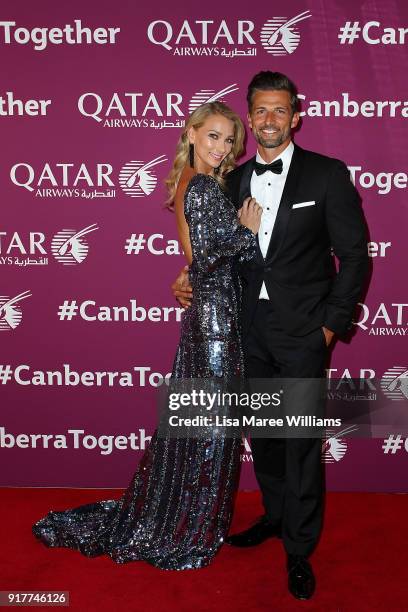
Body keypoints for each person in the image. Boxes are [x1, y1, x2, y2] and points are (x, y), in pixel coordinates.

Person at [32, 101, 262, 570]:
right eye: (213, 136)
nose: (221, 148)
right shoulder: (200, 188)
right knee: (212, 430)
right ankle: (193, 530)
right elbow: (209, 260)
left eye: (228, 140)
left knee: (199, 426)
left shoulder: (187, 184)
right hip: (216, 324)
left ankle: (179, 515)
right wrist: (245, 232)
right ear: (193, 133)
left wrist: (201, 264)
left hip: (209, 318)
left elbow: (195, 262)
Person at [172, 71, 369, 598]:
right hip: (247, 331)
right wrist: (187, 277)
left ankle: (299, 550)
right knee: (265, 438)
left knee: (301, 440)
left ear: (295, 116)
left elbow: (353, 257)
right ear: (250, 119)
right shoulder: (228, 181)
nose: (269, 120)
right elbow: (218, 254)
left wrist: (330, 325)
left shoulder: (327, 175)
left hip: (304, 331)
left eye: (280, 110)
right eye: (260, 110)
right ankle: (276, 518)